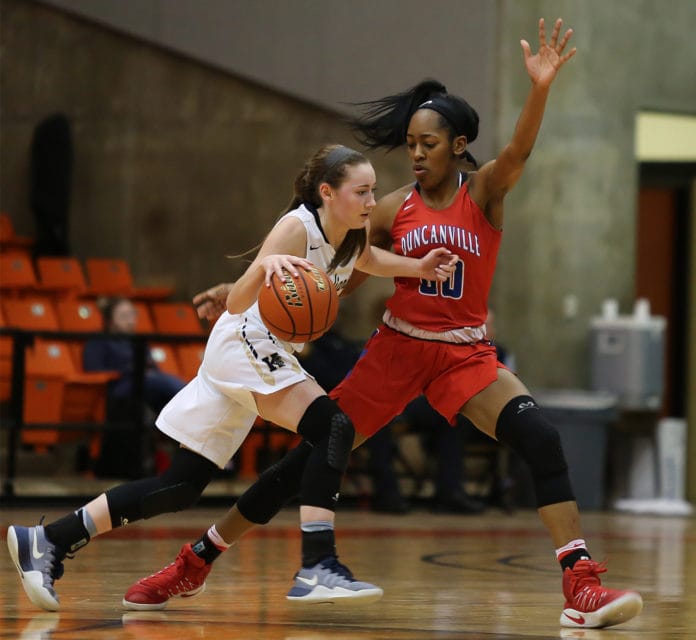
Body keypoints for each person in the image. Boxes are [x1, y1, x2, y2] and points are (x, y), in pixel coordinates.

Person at [119, 18, 643, 629]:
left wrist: (541, 88)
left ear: (459, 143)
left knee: (542, 439)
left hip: (465, 354)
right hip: (397, 349)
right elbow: (335, 268)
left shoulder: (487, 192)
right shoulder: (392, 207)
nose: (416, 154)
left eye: (428, 143)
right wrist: (258, 287)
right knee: (303, 464)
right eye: (411, 144)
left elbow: (521, 149)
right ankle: (195, 561)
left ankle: (579, 586)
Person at [6, 143, 457, 612]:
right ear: (327, 192)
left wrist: (417, 267)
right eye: (361, 191)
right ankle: (318, 563)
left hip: (253, 351)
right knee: (334, 426)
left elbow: (365, 261)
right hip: (246, 340)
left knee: (181, 486)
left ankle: (49, 540)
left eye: (373, 191)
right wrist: (263, 266)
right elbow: (240, 302)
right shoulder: (295, 227)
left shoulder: (350, 233)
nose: (370, 201)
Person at [83, 296, 187, 417]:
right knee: (158, 381)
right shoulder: (98, 341)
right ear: (110, 320)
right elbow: (93, 370)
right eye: (124, 316)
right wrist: (129, 370)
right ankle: (189, 399)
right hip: (118, 387)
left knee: (163, 394)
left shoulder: (137, 341)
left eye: (132, 315)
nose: (130, 320)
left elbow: (152, 366)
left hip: (145, 383)